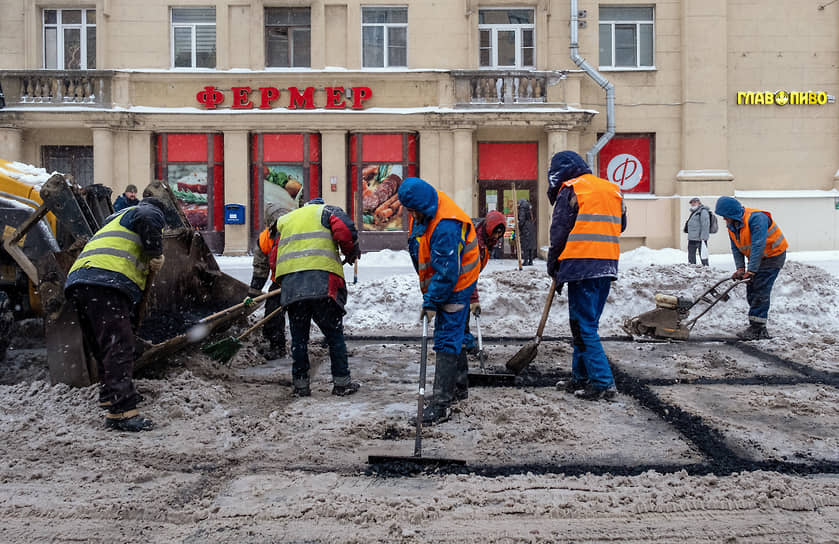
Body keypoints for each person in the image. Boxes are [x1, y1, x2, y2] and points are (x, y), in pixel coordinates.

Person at [64, 196, 167, 431]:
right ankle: (123, 412)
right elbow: (148, 217)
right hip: (106, 280)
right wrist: (155, 252)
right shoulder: (147, 211)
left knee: (103, 345)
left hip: (80, 280)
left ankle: (110, 395)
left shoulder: (114, 219)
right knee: (118, 345)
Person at [398, 176, 480, 424]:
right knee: (453, 335)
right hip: (447, 281)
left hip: (457, 284)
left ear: (421, 207)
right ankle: (459, 386)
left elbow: (447, 272)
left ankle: (441, 404)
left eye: (412, 211)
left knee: (446, 338)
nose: (411, 215)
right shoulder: (430, 208)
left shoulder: (445, 226)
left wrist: (432, 302)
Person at [546, 150, 626, 401]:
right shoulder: (611, 189)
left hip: (581, 265)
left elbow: (559, 232)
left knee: (583, 327)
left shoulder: (571, 189)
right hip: (607, 265)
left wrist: (554, 266)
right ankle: (579, 377)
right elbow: (621, 224)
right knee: (583, 325)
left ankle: (603, 383)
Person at [274, 198, 361, 397]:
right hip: (322, 283)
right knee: (333, 334)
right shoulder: (327, 210)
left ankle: (301, 386)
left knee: (299, 338)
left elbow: (274, 256)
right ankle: (341, 383)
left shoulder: (286, 219)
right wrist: (351, 251)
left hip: (293, 286)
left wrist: (284, 282)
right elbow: (345, 231)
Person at [714, 196, 788, 340]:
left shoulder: (756, 219)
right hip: (758, 258)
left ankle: (758, 329)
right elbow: (736, 248)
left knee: (760, 288)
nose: (724, 219)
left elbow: (758, 245)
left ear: (731, 214)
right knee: (752, 289)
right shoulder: (732, 225)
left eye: (725, 216)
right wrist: (741, 268)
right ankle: (757, 326)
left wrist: (752, 270)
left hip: (773, 256)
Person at [249, 202, 292, 359]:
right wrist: (253, 294)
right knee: (272, 314)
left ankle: (328, 340)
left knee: (304, 313)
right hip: (280, 281)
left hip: (300, 279)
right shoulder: (265, 239)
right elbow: (260, 269)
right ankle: (276, 346)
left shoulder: (297, 233)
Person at [462, 211, 506, 358]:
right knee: (460, 314)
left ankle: (463, 344)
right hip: (461, 279)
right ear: (489, 228)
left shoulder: (486, 240)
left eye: (500, 233)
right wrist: (474, 299)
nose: (497, 236)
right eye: (495, 232)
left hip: (466, 278)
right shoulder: (477, 244)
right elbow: (470, 273)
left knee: (462, 315)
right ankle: (461, 346)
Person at [685, 197, 711, 266]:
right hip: (692, 239)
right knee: (691, 257)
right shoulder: (694, 212)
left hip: (700, 239)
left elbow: (705, 225)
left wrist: (703, 237)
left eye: (695, 202)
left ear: (699, 203)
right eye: (692, 202)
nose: (693, 204)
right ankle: (692, 270)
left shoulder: (703, 211)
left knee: (703, 257)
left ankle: (706, 270)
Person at [517, 198, 537, 266]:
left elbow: (521, 219)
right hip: (531, 226)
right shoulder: (529, 207)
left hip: (525, 228)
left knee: (525, 244)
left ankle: (525, 260)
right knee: (530, 244)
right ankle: (530, 260)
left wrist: (519, 226)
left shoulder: (522, 209)